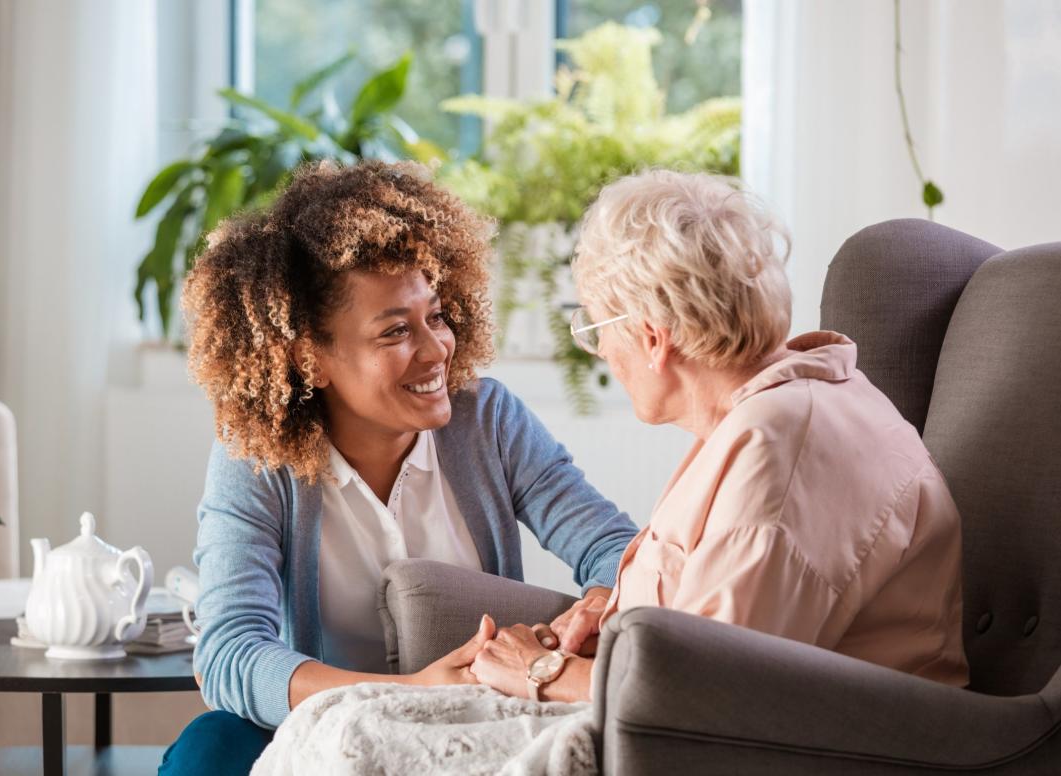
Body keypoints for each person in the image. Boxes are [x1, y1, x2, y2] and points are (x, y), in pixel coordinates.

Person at [156, 160, 640, 776]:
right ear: (310, 358)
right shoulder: (256, 459)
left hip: (468, 729)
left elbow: (613, 547)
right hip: (321, 735)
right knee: (211, 746)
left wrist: (597, 604)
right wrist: (408, 691)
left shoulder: (487, 421)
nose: (438, 348)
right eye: (395, 332)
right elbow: (229, 654)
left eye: (435, 316)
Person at [468, 169, 969, 703]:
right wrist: (616, 617)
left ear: (652, 337)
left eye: (594, 329)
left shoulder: (780, 447)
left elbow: (709, 696)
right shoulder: (781, 407)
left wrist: (542, 671)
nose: (604, 354)